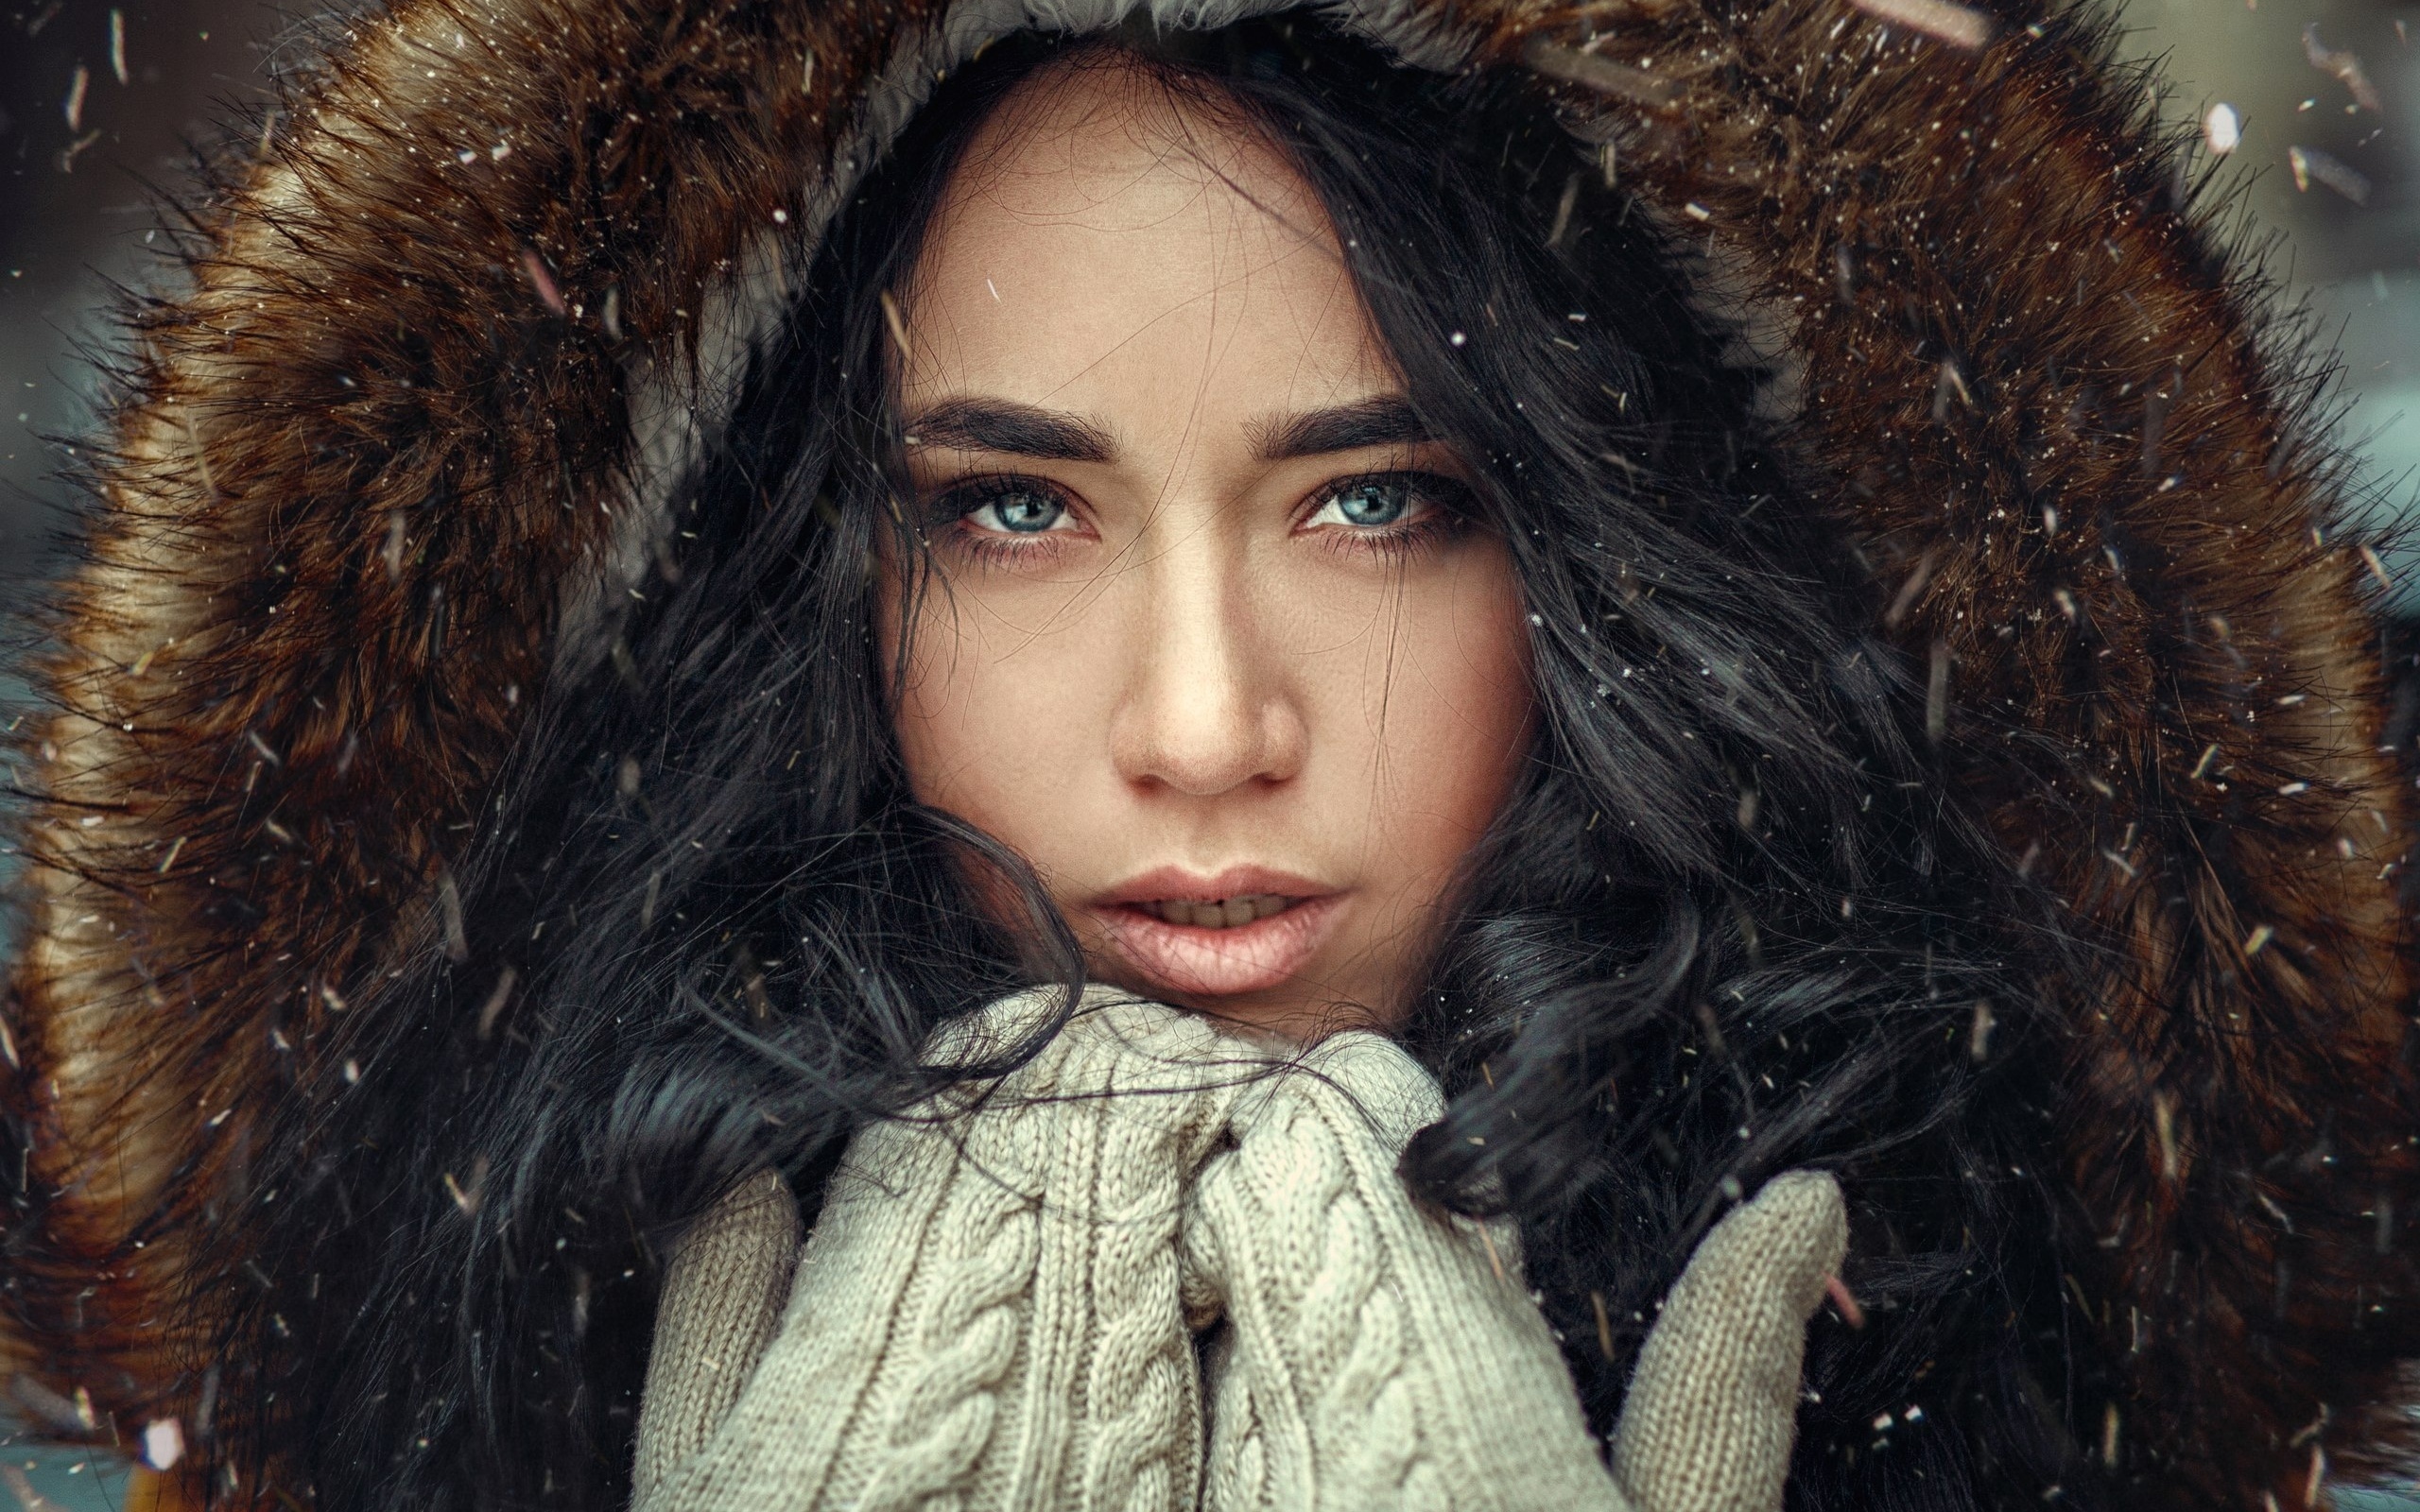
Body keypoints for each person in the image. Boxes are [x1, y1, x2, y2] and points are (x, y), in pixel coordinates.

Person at [4, 3, 2413, 1510]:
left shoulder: (2005, 1342)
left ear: (1595, 549)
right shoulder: (438, 1351)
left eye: (1373, 500)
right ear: (811, 580)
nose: (1198, 726)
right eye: (1012, 506)